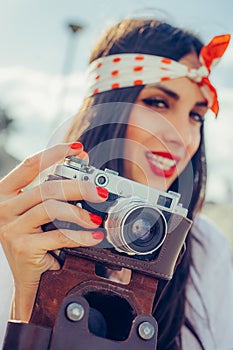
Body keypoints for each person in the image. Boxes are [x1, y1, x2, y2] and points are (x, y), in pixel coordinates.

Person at [0, 18, 233, 350]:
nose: (181, 137)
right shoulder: (27, 227)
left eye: (196, 116)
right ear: (108, 108)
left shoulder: (205, 246)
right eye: (158, 103)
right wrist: (32, 304)